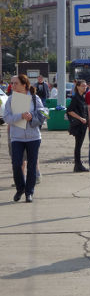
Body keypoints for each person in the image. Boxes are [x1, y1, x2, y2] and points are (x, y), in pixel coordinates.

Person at [4, 74, 45, 203]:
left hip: (33, 137)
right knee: (16, 164)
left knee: (32, 166)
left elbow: (42, 113)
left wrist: (31, 116)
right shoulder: (10, 99)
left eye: (15, 83)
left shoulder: (34, 97)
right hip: (17, 137)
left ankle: (29, 193)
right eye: (11, 83)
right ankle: (20, 188)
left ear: (24, 84)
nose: (12, 85)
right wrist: (20, 116)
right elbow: (7, 118)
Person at [67, 80, 89, 172]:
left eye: (85, 86)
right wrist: (80, 118)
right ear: (78, 87)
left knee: (79, 145)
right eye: (83, 86)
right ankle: (78, 165)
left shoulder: (83, 97)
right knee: (78, 145)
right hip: (78, 125)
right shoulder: (76, 98)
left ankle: (78, 165)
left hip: (83, 125)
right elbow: (69, 111)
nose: (85, 87)